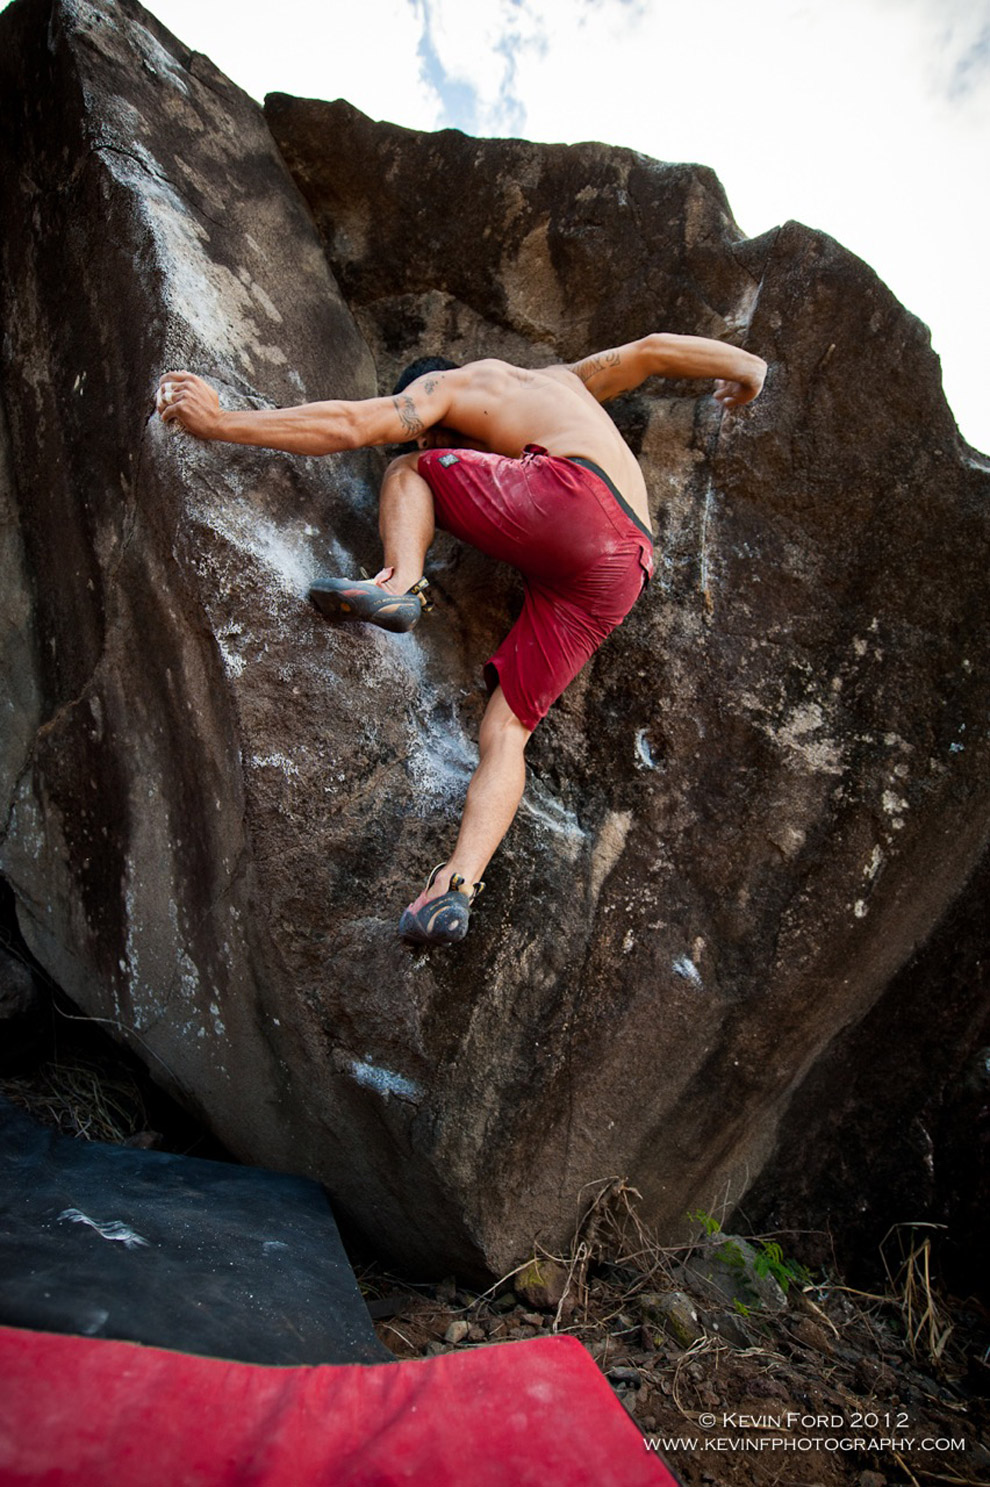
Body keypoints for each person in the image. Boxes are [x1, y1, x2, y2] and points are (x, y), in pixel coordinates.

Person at [157, 333, 767, 944]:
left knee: (405, 473)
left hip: (570, 498)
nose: (435, 441)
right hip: (626, 566)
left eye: (431, 434)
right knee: (506, 732)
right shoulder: (564, 380)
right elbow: (650, 352)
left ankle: (400, 582)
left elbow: (349, 424)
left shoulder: (450, 387)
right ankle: (454, 889)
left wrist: (218, 421)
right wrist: (746, 366)